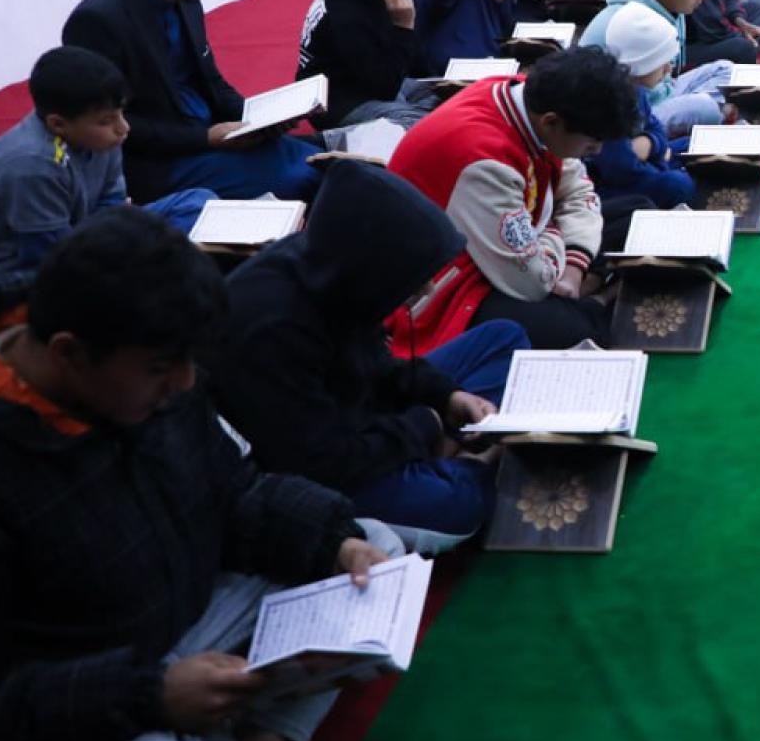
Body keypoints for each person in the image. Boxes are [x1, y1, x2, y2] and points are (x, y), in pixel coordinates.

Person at [0, 208, 400, 741]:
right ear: (68, 353)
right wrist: (150, 696)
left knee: (373, 552)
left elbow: (236, 490)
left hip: (180, 625)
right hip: (72, 707)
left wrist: (333, 541)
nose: (187, 384)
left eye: (192, 362)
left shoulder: (149, 370)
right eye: (165, 367)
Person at [205, 160, 522, 555]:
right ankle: (472, 463)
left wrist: (446, 396)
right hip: (315, 465)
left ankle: (447, 458)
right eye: (416, 273)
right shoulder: (270, 330)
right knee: (455, 508)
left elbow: (377, 366)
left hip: (362, 419)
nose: (426, 288)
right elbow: (321, 464)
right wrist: (424, 425)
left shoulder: (335, 268)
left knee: (502, 338)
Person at [62, 0, 322, 203]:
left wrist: (261, 117)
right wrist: (205, 139)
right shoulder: (97, 21)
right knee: (306, 176)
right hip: (161, 163)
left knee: (325, 159)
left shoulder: (186, 1)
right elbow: (106, 125)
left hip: (214, 138)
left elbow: (211, 81)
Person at [387, 46, 624, 351]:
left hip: (507, 244)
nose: (597, 152)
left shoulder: (531, 98)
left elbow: (578, 190)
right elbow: (532, 281)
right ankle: (592, 302)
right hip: (442, 284)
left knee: (634, 214)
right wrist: (554, 232)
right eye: (591, 144)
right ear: (551, 122)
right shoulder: (482, 159)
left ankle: (585, 296)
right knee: (577, 333)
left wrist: (574, 266)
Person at [0, 47, 211, 283]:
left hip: (80, 235)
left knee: (199, 204)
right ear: (58, 124)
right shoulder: (32, 166)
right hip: (11, 276)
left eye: (122, 113)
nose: (123, 128)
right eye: (106, 121)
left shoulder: (100, 137)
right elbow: (51, 259)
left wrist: (125, 229)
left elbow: (110, 204)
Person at [297, 0, 435, 130]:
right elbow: (385, 89)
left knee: (452, 96)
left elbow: (413, 67)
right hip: (336, 101)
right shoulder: (344, 9)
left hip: (372, 83)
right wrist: (403, 28)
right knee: (420, 125)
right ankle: (332, 141)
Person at [586, 0, 733, 136]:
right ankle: (707, 112)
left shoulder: (666, 3)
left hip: (662, 91)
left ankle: (703, 111)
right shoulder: (627, 20)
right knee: (705, 108)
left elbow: (665, 80)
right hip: (629, 115)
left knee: (726, 69)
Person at [587, 5, 699, 216]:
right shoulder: (610, 103)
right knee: (678, 185)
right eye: (661, 62)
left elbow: (656, 129)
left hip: (644, 164)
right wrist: (660, 162)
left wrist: (651, 145)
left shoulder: (636, 90)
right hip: (610, 185)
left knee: (692, 143)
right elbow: (622, 168)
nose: (668, 69)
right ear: (641, 63)